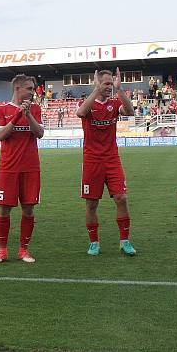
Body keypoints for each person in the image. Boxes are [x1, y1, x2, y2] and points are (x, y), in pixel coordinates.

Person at [76, 69, 137, 256]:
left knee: (122, 198)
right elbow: (80, 113)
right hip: (92, 160)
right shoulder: (86, 103)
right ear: (98, 84)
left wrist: (120, 90)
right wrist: (95, 91)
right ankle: (94, 242)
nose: (109, 87)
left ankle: (124, 241)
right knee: (91, 204)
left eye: (111, 83)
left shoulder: (114, 102)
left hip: (112, 158)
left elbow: (130, 112)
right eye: (107, 84)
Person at [0, 75, 43, 264]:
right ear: (17, 89)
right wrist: (17, 116)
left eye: (33, 88)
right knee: (4, 210)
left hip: (30, 168)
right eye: (29, 88)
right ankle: (2, 251)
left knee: (28, 210)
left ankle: (23, 250)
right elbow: (1, 135)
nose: (32, 92)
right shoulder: (3, 110)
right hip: (8, 168)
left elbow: (40, 133)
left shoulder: (35, 109)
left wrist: (27, 115)